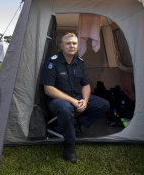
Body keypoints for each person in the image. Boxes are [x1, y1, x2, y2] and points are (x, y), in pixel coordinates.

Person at [40, 32, 110, 163]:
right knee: (66, 109)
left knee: (104, 105)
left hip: (75, 97)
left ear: (77, 46)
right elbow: (48, 89)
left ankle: (76, 123)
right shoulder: (53, 61)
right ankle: (69, 145)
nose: (72, 46)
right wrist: (73, 101)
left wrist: (85, 100)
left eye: (74, 43)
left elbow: (86, 85)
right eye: (68, 43)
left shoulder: (79, 62)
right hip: (56, 100)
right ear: (62, 45)